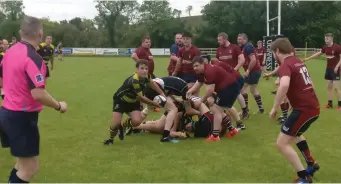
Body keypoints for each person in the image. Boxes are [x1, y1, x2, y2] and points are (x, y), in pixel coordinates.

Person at [0, 15, 67, 184]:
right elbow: (38, 93)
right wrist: (59, 106)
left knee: (22, 164)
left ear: (22, 32)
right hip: (21, 118)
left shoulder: (9, 52)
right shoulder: (33, 57)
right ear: (40, 34)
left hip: (6, 113)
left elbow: (2, 80)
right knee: (29, 168)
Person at [269, 38, 320, 183]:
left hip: (304, 109)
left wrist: (274, 107)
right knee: (296, 134)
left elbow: (284, 85)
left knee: (282, 143)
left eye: (273, 53)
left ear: (278, 51)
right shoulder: (298, 61)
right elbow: (310, 84)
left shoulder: (286, 64)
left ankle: (304, 177)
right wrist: (295, 101)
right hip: (311, 107)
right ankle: (311, 163)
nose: (274, 56)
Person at [103, 60, 165, 145]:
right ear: (137, 69)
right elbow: (141, 98)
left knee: (136, 122)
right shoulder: (134, 81)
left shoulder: (147, 76)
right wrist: (154, 104)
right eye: (142, 68)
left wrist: (161, 93)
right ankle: (111, 139)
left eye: (146, 69)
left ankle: (123, 126)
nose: (144, 70)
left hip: (133, 101)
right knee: (115, 124)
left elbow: (152, 83)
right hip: (120, 100)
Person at [187, 56, 244, 141]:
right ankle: (232, 129)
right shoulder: (202, 72)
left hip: (229, 88)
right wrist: (190, 91)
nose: (195, 68)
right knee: (215, 106)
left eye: (197, 65)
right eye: (194, 66)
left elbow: (210, 90)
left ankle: (215, 136)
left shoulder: (209, 71)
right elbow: (199, 82)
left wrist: (201, 101)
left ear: (203, 64)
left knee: (216, 109)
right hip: (226, 88)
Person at [143, 76, 202, 142]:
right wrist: (201, 113)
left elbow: (169, 90)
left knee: (151, 111)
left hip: (150, 87)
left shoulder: (182, 84)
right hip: (155, 88)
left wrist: (175, 100)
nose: (191, 96)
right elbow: (189, 110)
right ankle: (165, 136)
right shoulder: (185, 90)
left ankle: (134, 124)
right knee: (173, 110)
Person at [303, 33, 341, 110]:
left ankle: (340, 105)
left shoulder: (337, 47)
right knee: (329, 87)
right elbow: (318, 54)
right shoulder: (325, 47)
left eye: (327, 38)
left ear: (331, 38)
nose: (326, 40)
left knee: (337, 88)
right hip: (328, 69)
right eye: (325, 38)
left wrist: (337, 67)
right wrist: (308, 58)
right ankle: (330, 104)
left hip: (335, 70)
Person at [237, 33, 264, 114]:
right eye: (238, 39)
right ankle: (261, 109)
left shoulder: (247, 47)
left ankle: (245, 109)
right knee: (253, 89)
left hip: (253, 71)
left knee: (241, 89)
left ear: (245, 40)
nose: (238, 41)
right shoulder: (243, 47)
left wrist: (248, 70)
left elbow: (253, 60)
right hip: (256, 71)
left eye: (240, 39)